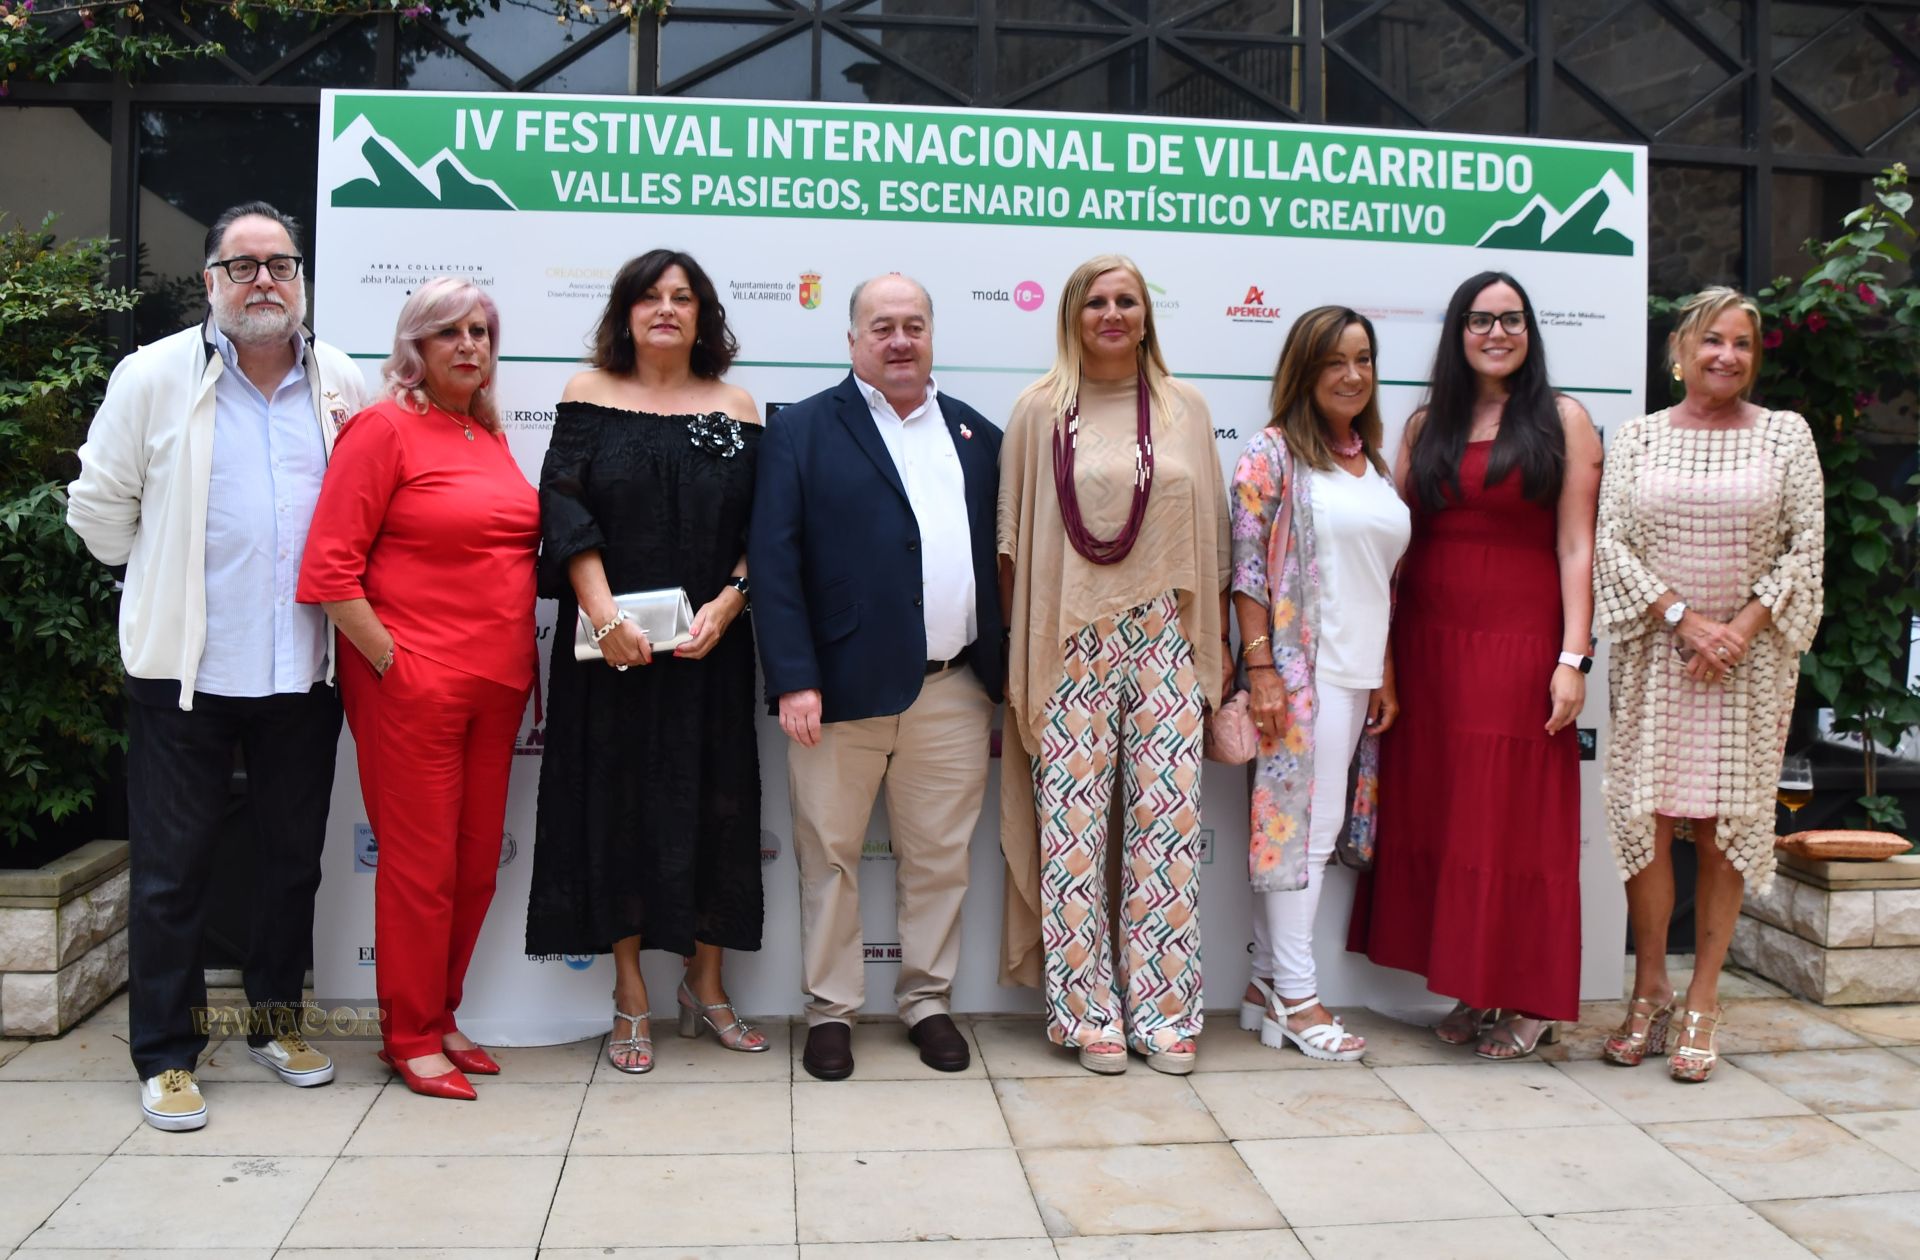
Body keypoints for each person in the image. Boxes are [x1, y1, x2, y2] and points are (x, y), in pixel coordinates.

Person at [67, 202, 366, 1132]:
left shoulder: (342, 380)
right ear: (210, 284)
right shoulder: (153, 375)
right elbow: (99, 513)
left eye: (279, 264)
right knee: (171, 871)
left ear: (302, 279)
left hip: (302, 674)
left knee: (289, 865)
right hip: (183, 675)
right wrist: (157, 583)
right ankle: (165, 1054)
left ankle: (276, 1024)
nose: (263, 281)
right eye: (242, 267)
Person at [749, 273, 1003, 1082]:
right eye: (882, 326)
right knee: (830, 857)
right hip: (836, 692)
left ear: (933, 336)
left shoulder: (976, 434)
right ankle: (832, 1010)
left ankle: (927, 1001)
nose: (900, 340)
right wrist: (794, 677)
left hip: (954, 687)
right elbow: (777, 562)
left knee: (941, 859)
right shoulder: (802, 431)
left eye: (914, 325)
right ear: (853, 340)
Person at [1346, 272, 1602, 1060]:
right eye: (1481, 319)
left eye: (1512, 319)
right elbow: (1393, 537)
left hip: (1520, 647)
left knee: (1514, 823)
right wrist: (1382, 652)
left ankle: (1530, 999)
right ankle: (1471, 987)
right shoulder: (1427, 426)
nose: (1498, 332)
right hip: (1430, 647)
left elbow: (1575, 545)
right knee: (1454, 817)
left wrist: (1573, 658)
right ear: (1458, 332)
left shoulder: (1564, 420)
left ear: (1531, 331)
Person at [296, 276, 539, 1100]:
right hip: (415, 691)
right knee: (420, 867)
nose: (469, 346)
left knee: (475, 869)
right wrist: (397, 665)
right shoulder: (382, 430)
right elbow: (330, 571)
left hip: (499, 685)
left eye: (481, 332)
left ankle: (439, 1015)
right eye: (449, 333)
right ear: (415, 348)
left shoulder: (488, 436)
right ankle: (406, 1036)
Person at [525, 250, 765, 1074]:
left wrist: (732, 603)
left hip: (711, 655)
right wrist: (604, 615)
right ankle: (630, 993)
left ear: (704, 316)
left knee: (718, 808)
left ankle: (707, 984)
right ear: (626, 312)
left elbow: (762, 532)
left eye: (684, 297)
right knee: (615, 812)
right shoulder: (584, 393)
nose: (667, 309)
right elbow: (564, 507)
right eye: (651, 297)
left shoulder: (738, 404)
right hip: (611, 657)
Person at [998, 254, 1230, 1076]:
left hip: (1165, 638)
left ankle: (1164, 1015)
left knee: (1165, 832)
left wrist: (1214, 662)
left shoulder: (1184, 407)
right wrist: (1021, 666)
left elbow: (1210, 541)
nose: (1112, 313)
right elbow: (1015, 554)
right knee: (1070, 836)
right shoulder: (1037, 412)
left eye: (1126, 300)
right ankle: (1087, 1011)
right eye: (1095, 300)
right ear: (1071, 313)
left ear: (1146, 315)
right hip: (1067, 648)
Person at [1594, 286, 1822, 1083]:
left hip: (1749, 669)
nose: (1727, 355)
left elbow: (1803, 550)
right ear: (1681, 351)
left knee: (1727, 825)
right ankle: (1649, 986)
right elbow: (1611, 546)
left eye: (1743, 344)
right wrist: (1685, 621)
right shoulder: (1638, 438)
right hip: (1659, 656)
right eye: (1712, 340)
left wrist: (1738, 631)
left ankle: (1702, 999)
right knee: (1645, 820)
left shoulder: (1785, 437)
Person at [1229, 305, 1409, 1063]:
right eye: (1334, 360)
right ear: (1304, 370)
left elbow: (1379, 581)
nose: (1352, 374)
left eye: (1363, 359)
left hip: (1358, 671)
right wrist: (1262, 668)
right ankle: (1298, 999)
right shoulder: (1271, 455)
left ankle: (1265, 982)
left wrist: (1384, 674)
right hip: (1301, 674)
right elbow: (1244, 573)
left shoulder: (1372, 462)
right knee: (1301, 839)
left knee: (1317, 835)